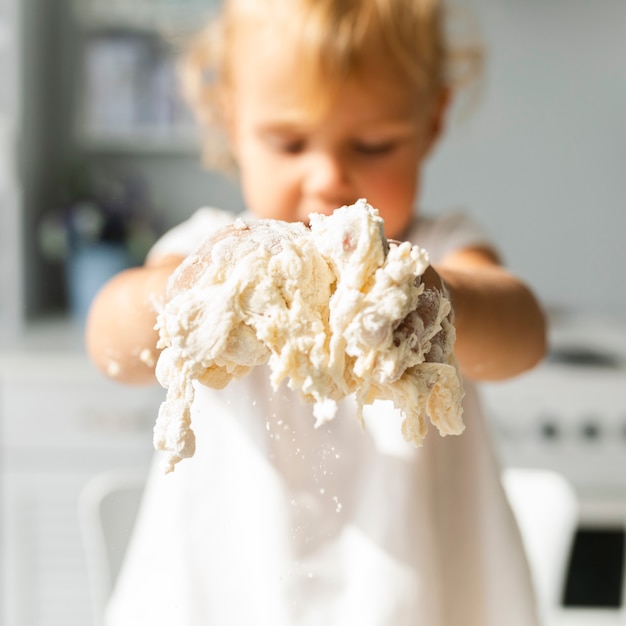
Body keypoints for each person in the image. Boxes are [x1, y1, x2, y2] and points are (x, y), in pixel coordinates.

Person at [86, 0, 547, 624]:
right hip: (230, 598)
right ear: (229, 118)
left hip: (416, 599)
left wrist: (434, 301)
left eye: (373, 144)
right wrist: (187, 297)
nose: (329, 176)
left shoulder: (439, 250)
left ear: (432, 121)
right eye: (289, 142)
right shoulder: (212, 250)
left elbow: (523, 334)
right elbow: (110, 341)